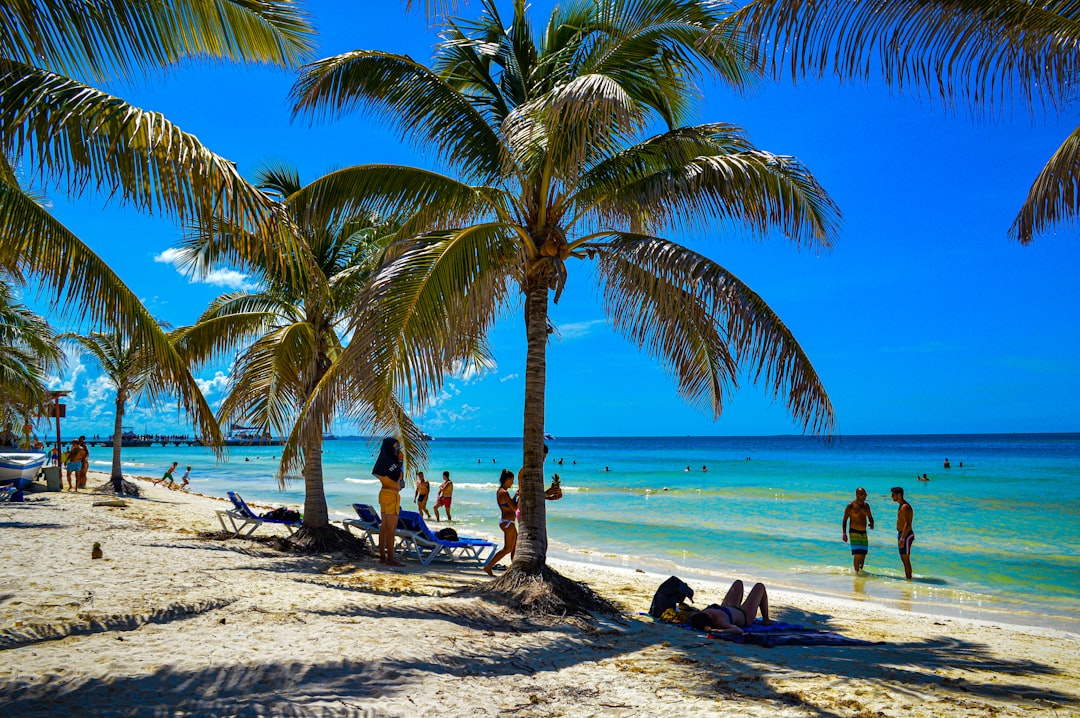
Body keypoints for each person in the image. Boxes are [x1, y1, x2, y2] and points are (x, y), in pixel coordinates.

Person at [688, 580, 775, 635]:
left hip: (728, 607)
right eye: (709, 614)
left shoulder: (702, 615)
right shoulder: (721, 622)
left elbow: (692, 616)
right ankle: (766, 619)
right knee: (760, 586)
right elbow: (738, 630)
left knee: (738, 583)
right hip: (744, 615)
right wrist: (717, 631)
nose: (709, 612)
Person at [373, 437, 405, 567]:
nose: (397, 449)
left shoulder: (382, 460)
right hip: (392, 495)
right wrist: (400, 461)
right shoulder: (390, 462)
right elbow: (398, 476)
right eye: (396, 446)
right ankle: (390, 558)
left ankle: (383, 556)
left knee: (384, 527)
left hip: (383, 493)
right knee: (391, 529)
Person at [484, 469, 518, 576]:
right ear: (507, 479)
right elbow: (514, 508)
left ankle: (511, 570)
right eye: (512, 480)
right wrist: (521, 497)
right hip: (508, 522)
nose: (513, 483)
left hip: (507, 521)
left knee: (514, 547)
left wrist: (516, 497)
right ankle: (488, 566)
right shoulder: (504, 493)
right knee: (507, 548)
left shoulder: (501, 491)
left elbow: (508, 505)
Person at [842, 487, 875, 572]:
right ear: (857, 495)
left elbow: (870, 517)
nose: (864, 496)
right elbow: (845, 520)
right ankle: (857, 573)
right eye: (862, 494)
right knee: (858, 554)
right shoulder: (851, 506)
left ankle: (860, 571)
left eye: (865, 494)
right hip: (854, 531)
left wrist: (872, 524)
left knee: (863, 554)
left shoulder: (866, 506)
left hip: (863, 532)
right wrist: (844, 533)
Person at [892, 486, 915, 579]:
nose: (891, 496)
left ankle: (909, 579)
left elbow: (907, 523)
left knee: (905, 559)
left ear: (899, 495)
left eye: (893, 495)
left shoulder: (905, 507)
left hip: (906, 534)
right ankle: (908, 579)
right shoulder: (901, 505)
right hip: (903, 534)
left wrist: (902, 538)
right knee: (904, 559)